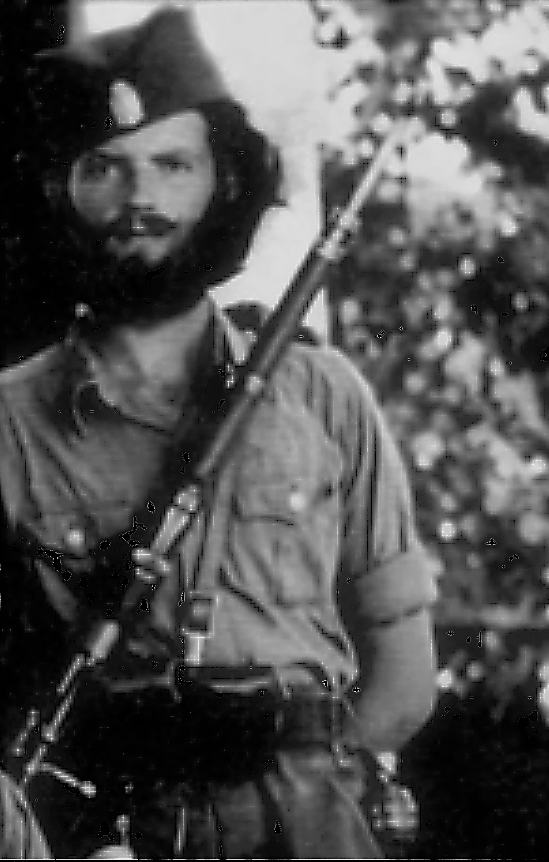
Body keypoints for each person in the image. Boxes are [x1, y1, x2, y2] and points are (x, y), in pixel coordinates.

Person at [0, 7, 437, 859]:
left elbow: (404, 677)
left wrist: (302, 787)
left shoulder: (323, 395)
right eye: (104, 167)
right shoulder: (11, 421)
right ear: (57, 190)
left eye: (174, 164)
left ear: (224, 181)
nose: (142, 200)